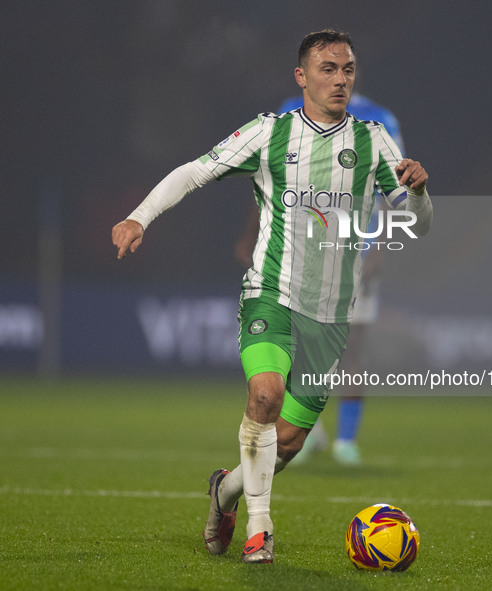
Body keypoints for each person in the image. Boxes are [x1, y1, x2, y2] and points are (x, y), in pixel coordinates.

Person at [112, 29, 432, 565]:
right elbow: (196, 171)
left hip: (331, 316)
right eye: (327, 69)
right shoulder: (269, 133)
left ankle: (224, 493)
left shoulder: (374, 141)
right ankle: (260, 530)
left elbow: (417, 226)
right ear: (301, 77)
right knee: (264, 395)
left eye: (347, 69)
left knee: (285, 445)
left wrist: (419, 193)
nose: (340, 79)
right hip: (271, 294)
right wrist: (139, 216)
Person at [235, 93, 406, 466]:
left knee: (351, 348)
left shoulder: (379, 118)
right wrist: (253, 237)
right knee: (291, 342)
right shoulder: (287, 111)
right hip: (298, 252)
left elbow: (393, 190)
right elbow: (269, 183)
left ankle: (346, 441)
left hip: (354, 251)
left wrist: (378, 251)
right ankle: (309, 434)